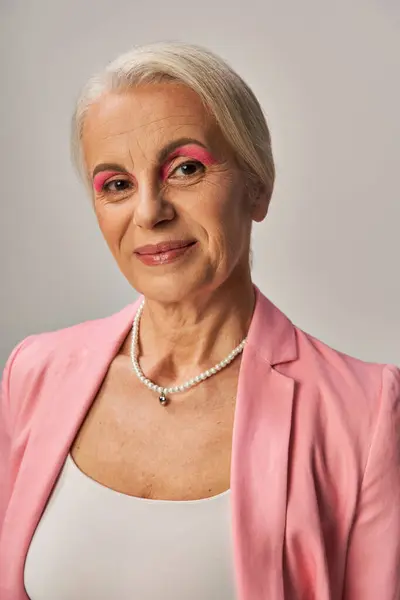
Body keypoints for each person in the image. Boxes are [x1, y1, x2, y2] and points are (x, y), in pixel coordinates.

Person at [0, 41, 399, 600]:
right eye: (116, 184)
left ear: (257, 186)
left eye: (185, 169)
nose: (150, 212)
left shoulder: (364, 411)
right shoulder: (33, 375)